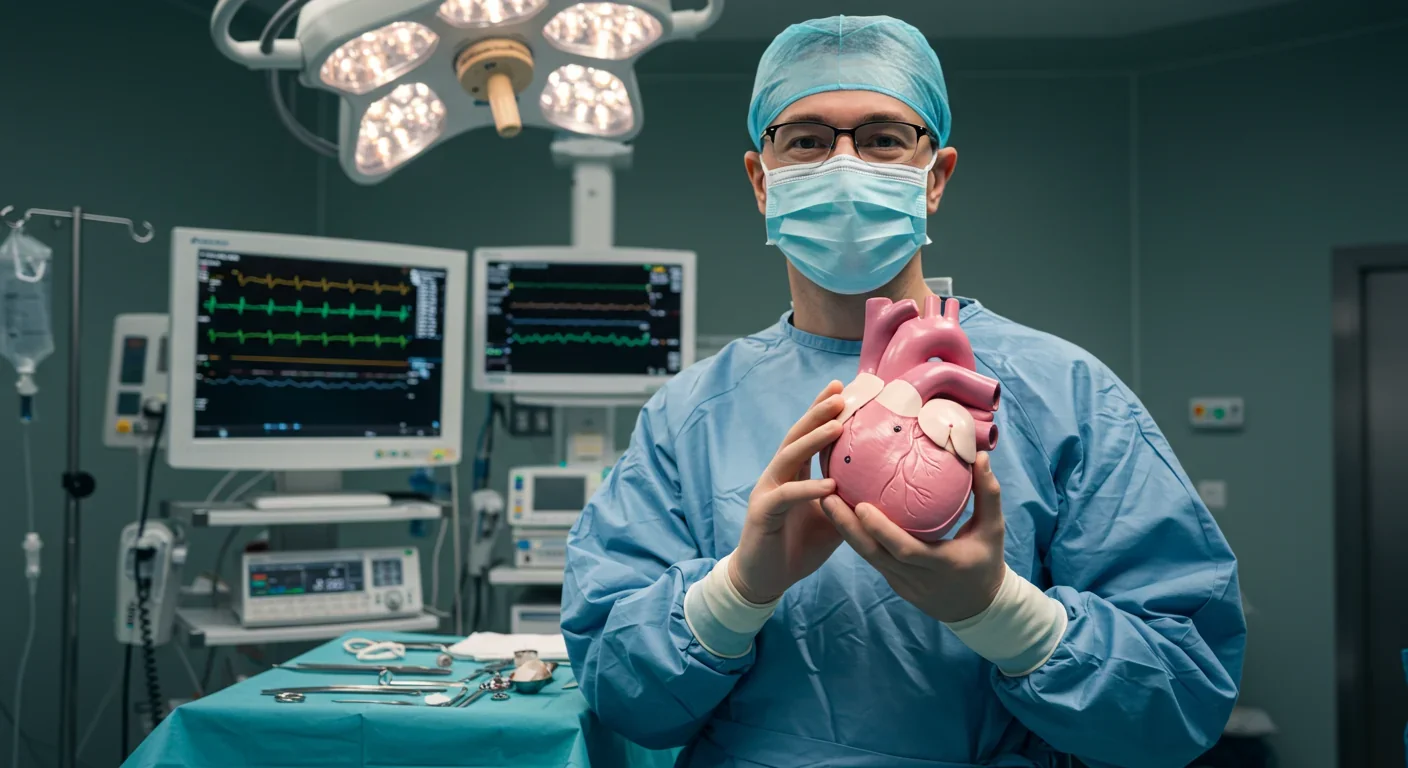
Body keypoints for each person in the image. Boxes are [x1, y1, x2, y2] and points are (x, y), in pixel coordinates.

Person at [561, 14, 1245, 768]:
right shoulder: (691, 415)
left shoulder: (1069, 396)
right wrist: (737, 591)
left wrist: (997, 611)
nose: (843, 163)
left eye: (884, 138)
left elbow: (1180, 698)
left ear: (935, 177)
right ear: (763, 180)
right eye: (808, 140)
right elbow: (619, 692)